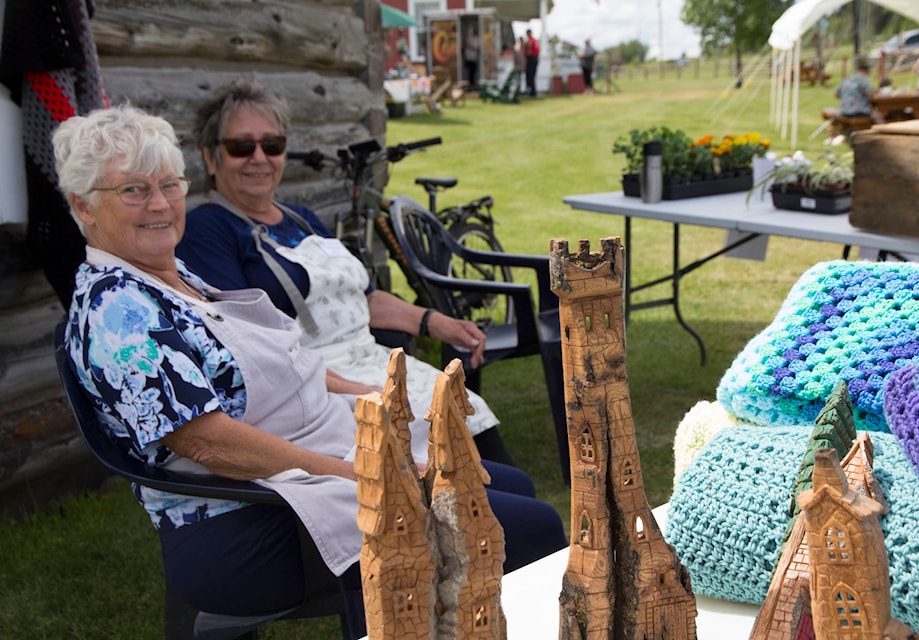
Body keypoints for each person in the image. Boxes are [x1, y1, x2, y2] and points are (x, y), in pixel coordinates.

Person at [55, 105, 567, 623]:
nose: (160, 204)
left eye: (169, 184)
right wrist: (360, 474)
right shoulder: (118, 312)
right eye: (133, 190)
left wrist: (362, 395)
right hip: (249, 519)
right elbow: (208, 442)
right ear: (84, 207)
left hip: (307, 456)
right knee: (532, 528)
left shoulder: (174, 275)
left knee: (511, 487)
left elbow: (272, 362)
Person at [176, 79, 515, 466]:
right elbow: (250, 347)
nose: (259, 157)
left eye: (272, 145)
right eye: (241, 146)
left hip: (370, 357)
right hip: (309, 386)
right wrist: (358, 389)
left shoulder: (300, 218)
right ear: (209, 157)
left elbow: (365, 297)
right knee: (432, 450)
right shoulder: (206, 231)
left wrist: (436, 322)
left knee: (469, 414)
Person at [523, 28, 539, 97]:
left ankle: (532, 92)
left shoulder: (530, 40)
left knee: (530, 76)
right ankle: (532, 91)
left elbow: (529, 49)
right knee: (532, 76)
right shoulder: (535, 40)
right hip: (535, 58)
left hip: (531, 58)